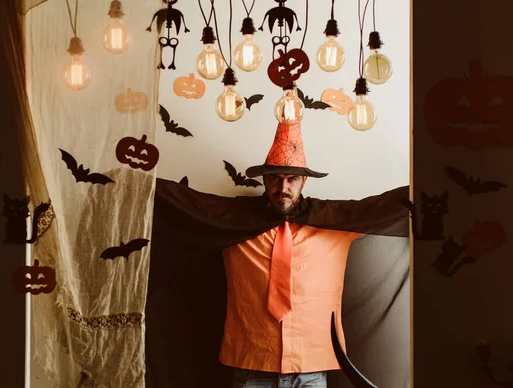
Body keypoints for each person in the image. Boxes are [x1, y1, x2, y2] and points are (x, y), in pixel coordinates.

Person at [146, 122, 410, 388]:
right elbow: (185, 202)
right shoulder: (234, 220)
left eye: (292, 179)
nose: (283, 187)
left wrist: (432, 181)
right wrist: (131, 181)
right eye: (275, 178)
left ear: (304, 181)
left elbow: (380, 207)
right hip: (251, 365)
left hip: (312, 368)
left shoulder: (333, 222)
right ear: (264, 180)